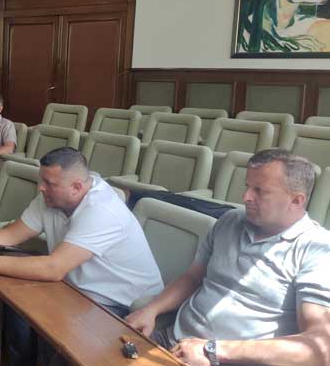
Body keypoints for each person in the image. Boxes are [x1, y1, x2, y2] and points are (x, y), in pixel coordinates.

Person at [0, 147, 163, 366]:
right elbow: (14, 233)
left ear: (76, 187)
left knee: (56, 331)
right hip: (77, 287)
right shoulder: (51, 197)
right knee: (16, 303)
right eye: (41, 180)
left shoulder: (102, 210)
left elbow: (54, 268)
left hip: (120, 305)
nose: (41, 187)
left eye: (49, 183)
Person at [125, 149, 330, 366]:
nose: (246, 197)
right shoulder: (229, 220)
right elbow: (192, 278)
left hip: (231, 360)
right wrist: (151, 310)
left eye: (260, 191)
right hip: (174, 341)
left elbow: (321, 348)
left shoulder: (317, 250)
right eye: (247, 186)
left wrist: (213, 350)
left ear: (296, 200)